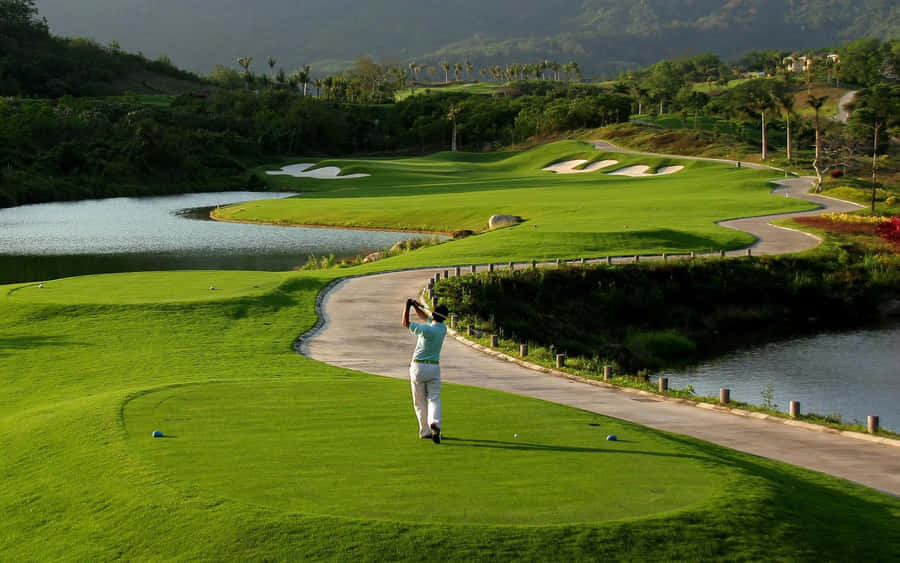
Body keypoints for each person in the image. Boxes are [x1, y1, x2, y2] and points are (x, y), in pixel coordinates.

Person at [402, 298, 449, 444]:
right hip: (434, 367)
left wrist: (408, 306)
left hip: (418, 367)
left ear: (434, 315)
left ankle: (425, 431)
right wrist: (416, 306)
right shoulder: (442, 328)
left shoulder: (426, 329)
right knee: (434, 398)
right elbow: (426, 318)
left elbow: (405, 323)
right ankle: (434, 423)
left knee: (419, 401)